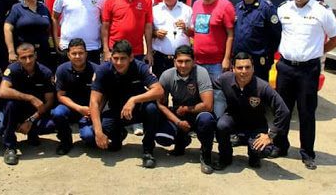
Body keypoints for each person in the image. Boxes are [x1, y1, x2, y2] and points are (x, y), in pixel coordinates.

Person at [273, 0, 336, 170]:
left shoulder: (322, 12)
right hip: (285, 67)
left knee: (306, 112)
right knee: (283, 110)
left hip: (308, 70)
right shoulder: (283, 9)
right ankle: (280, 146)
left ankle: (307, 153)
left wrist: (319, 52)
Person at [89, 40, 164, 168]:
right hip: (116, 108)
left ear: (131, 58)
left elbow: (159, 90)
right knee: (100, 129)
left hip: (137, 108)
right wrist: (98, 132)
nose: (118, 63)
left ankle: (148, 150)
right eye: (115, 58)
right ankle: (118, 137)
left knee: (152, 109)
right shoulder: (103, 70)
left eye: (123, 58)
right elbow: (94, 102)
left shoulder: (140, 67)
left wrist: (133, 100)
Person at [213, 52, 290, 170]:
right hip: (234, 119)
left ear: (253, 69)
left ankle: (254, 157)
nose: (244, 71)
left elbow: (283, 111)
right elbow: (207, 88)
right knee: (221, 125)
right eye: (239, 68)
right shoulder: (225, 79)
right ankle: (225, 157)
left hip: (256, 125)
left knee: (262, 150)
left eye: (247, 67)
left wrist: (270, 135)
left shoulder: (263, 87)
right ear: (233, 69)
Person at [155, 45, 216, 174]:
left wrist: (188, 109)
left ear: (193, 62)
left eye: (187, 61)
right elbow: (161, 105)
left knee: (207, 119)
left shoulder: (201, 73)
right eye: (180, 61)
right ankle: (181, 143)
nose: (183, 65)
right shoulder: (167, 75)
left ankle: (206, 156)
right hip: (178, 114)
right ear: (174, 61)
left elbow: (208, 105)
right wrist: (178, 122)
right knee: (162, 136)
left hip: (197, 113)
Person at [0, 43, 56, 165]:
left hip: (35, 112)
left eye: (31, 56)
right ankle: (10, 147)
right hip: (16, 109)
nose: (28, 60)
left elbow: (49, 101)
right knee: (10, 105)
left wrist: (31, 120)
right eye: (23, 58)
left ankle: (32, 132)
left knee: (50, 125)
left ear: (36, 55)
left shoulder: (45, 72)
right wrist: (30, 98)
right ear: (18, 58)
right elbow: (3, 91)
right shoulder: (12, 70)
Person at [50, 38, 97, 154]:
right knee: (57, 113)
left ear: (86, 54)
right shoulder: (62, 70)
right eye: (74, 53)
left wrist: (93, 110)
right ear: (68, 55)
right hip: (70, 107)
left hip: (89, 109)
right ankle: (65, 141)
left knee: (89, 137)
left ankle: (88, 135)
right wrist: (79, 108)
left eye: (80, 53)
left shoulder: (96, 70)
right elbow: (60, 96)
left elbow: (101, 96)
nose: (77, 56)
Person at [52, 0, 106, 65]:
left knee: (92, 79)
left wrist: (104, 46)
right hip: (67, 47)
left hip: (92, 48)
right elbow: (54, 18)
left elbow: (104, 22)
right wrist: (56, 41)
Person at [234, 0, 282, 81]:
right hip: (239, 61)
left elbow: (277, 35)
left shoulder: (267, 8)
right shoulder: (238, 8)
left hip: (258, 63)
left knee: (257, 94)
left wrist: (266, 55)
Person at [101, 0, 154, 65]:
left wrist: (149, 52)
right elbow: (105, 27)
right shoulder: (111, 0)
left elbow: (148, 27)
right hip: (115, 51)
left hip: (137, 52)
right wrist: (106, 50)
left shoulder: (146, 0)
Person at [4, 0, 57, 71]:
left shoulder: (44, 8)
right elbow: (7, 29)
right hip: (24, 54)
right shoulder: (17, 8)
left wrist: (56, 44)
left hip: (43, 52)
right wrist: (11, 51)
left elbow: (52, 24)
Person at [191, 0, 235, 80]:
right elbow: (197, 31)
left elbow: (231, 34)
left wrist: (227, 59)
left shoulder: (225, 5)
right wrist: (185, 29)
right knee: (199, 95)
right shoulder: (196, 4)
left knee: (218, 95)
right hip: (197, 62)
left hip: (217, 64)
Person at [152, 0, 192, 78]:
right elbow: (147, 32)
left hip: (182, 60)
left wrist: (185, 28)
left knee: (182, 90)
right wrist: (156, 33)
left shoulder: (187, 10)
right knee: (160, 91)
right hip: (160, 59)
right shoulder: (154, 10)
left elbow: (193, 33)